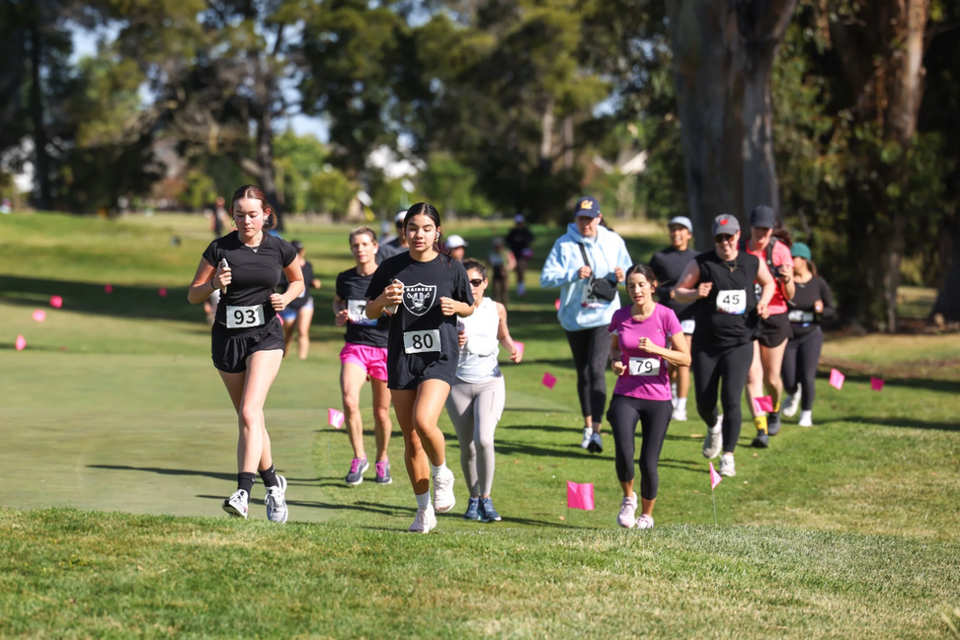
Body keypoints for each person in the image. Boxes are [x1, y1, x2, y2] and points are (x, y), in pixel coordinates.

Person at [187, 184, 303, 521]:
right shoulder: (219, 248)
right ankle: (273, 485)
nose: (246, 221)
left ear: (266, 214)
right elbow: (193, 295)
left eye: (253, 214)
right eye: (239, 215)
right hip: (227, 339)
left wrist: (287, 298)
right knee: (249, 418)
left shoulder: (279, 248)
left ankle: (242, 492)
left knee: (251, 411)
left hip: (265, 337)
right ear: (232, 216)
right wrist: (213, 285)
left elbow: (298, 282)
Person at [365, 203, 475, 533]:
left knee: (423, 420)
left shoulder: (452, 268)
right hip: (402, 356)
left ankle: (442, 472)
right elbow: (370, 310)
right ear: (404, 232)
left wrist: (456, 307)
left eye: (426, 228)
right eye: (413, 228)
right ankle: (424, 511)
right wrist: (385, 301)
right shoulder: (391, 266)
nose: (419, 234)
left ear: (437, 232)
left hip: (440, 356)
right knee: (411, 439)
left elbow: (469, 307)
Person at [674, 214, 775, 477]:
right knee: (704, 403)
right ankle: (713, 427)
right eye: (720, 238)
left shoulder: (751, 261)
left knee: (732, 398)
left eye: (729, 237)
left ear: (738, 236)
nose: (725, 242)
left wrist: (763, 302)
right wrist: (695, 293)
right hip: (706, 343)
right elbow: (677, 291)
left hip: (740, 342)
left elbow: (769, 283)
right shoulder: (702, 263)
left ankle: (728, 456)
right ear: (714, 239)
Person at [540, 196, 632, 453]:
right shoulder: (563, 244)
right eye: (581, 219)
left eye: (590, 219)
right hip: (574, 319)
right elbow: (545, 279)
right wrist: (572, 274)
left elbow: (630, 273)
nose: (586, 224)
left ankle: (598, 433)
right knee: (583, 373)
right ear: (575, 220)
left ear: (599, 218)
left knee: (595, 369)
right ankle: (588, 426)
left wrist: (623, 277)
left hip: (605, 316)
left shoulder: (613, 241)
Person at [607, 264, 690, 529]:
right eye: (631, 285)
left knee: (648, 461)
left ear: (653, 286)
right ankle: (628, 499)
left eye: (641, 284)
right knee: (623, 451)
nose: (636, 290)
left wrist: (658, 349)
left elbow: (685, 358)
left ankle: (647, 515)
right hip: (626, 393)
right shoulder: (620, 316)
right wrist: (616, 363)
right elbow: (613, 349)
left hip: (658, 398)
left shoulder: (666, 316)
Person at [446, 258, 522, 523]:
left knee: (484, 440)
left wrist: (513, 348)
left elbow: (502, 335)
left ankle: (486, 500)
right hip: (457, 385)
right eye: (465, 282)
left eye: (476, 282)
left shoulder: (496, 308)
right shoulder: (451, 309)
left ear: (485, 283)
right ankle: (473, 497)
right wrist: (453, 340)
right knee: (467, 447)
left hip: (490, 381)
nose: (471, 287)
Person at [334, 227, 395, 485]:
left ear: (375, 247)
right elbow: (339, 301)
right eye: (355, 245)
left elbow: (396, 309)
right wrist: (340, 314)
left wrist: (388, 308)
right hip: (355, 347)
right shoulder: (345, 278)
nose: (360, 249)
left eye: (364, 244)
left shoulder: (388, 278)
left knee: (381, 413)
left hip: (384, 349)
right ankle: (359, 457)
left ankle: (382, 460)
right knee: (349, 401)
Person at [742, 205, 795, 448]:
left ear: (772, 229)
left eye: (766, 229)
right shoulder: (742, 249)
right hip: (748, 318)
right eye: (757, 228)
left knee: (772, 379)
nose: (761, 233)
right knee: (753, 376)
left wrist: (786, 279)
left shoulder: (780, 251)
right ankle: (761, 428)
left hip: (775, 318)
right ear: (750, 228)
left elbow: (789, 293)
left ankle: (774, 410)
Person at [649, 215, 700, 422]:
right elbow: (650, 284)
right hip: (665, 314)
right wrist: (667, 291)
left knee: (683, 358)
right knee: (667, 359)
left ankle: (681, 406)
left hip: (689, 313)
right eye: (673, 229)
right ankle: (666, 396)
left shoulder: (697, 258)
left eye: (681, 229)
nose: (676, 233)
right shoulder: (660, 257)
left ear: (689, 234)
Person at [781, 242, 835, 427]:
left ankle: (806, 414)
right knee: (788, 377)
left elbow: (831, 311)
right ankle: (792, 393)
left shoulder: (818, 283)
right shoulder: (786, 281)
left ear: (803, 259)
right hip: (788, 336)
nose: (789, 261)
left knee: (807, 375)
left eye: (793, 258)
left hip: (811, 335)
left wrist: (820, 310)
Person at [280, 240, 322, 360]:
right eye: (294, 252)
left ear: (303, 252)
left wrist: (315, 283)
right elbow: (280, 282)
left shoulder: (308, 265)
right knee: (288, 333)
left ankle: (302, 358)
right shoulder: (285, 266)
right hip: (289, 302)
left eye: (299, 252)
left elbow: (311, 279)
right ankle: (284, 355)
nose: (297, 255)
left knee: (303, 331)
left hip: (305, 302)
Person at [506, 214, 535, 296]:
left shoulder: (526, 231)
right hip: (513, 254)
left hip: (522, 255)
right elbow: (507, 241)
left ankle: (521, 289)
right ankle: (517, 288)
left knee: (520, 270)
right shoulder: (513, 232)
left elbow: (531, 239)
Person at [488, 238, 516, 306]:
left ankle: (504, 305)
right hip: (496, 272)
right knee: (496, 290)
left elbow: (513, 262)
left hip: (504, 272)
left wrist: (506, 269)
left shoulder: (506, 252)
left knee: (504, 290)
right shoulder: (492, 253)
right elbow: (488, 262)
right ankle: (495, 305)